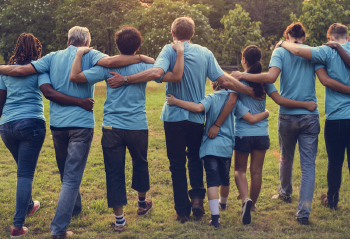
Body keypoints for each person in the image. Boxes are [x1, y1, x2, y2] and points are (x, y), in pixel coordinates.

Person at [0, 26, 154, 239]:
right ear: (87, 42)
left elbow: (19, 71)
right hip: (81, 124)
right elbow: (110, 62)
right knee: (72, 178)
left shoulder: (52, 57)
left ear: (68, 40)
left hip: (57, 125)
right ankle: (58, 230)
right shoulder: (91, 54)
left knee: (66, 172)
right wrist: (141, 58)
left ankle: (75, 207)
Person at [106, 17, 264, 223]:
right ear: (193, 34)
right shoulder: (205, 52)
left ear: (173, 33)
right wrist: (249, 91)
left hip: (173, 116)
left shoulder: (169, 50)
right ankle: (198, 199)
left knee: (177, 164)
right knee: (195, 159)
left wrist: (125, 79)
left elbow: (155, 72)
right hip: (197, 117)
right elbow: (223, 80)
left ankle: (182, 210)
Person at [69, 26, 185, 232]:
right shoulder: (145, 67)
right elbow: (170, 74)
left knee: (114, 171)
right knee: (140, 164)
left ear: (116, 46)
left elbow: (77, 77)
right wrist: (147, 58)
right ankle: (141, 203)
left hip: (111, 127)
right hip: (137, 126)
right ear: (138, 45)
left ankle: (120, 220)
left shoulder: (108, 67)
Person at [232, 23, 330, 224]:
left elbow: (270, 77)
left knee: (286, 157)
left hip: (287, 115)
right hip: (310, 115)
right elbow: (324, 79)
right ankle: (303, 212)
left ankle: (285, 193)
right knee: (308, 165)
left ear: (286, 35)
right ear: (304, 37)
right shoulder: (313, 53)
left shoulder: (280, 51)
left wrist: (241, 75)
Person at [0, 33, 95, 239]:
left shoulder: (5, 71)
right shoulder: (39, 67)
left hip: (7, 126)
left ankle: (28, 205)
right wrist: (80, 101)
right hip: (31, 124)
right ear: (36, 49)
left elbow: (0, 100)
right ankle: (17, 225)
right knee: (24, 174)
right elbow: (48, 92)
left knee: (22, 170)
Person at [166, 79, 269, 228]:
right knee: (224, 179)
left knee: (212, 182)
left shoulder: (210, 98)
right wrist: (265, 113)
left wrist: (175, 101)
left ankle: (215, 218)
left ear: (213, 85)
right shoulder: (234, 100)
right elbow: (250, 118)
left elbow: (196, 108)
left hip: (209, 147)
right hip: (226, 148)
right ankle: (224, 204)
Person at [276, 23, 350, 210]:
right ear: (347, 37)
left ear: (330, 38)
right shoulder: (334, 49)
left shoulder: (325, 51)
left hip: (335, 118)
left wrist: (283, 44)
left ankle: (332, 200)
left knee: (334, 162)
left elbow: (322, 77)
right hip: (322, 116)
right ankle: (317, 205)